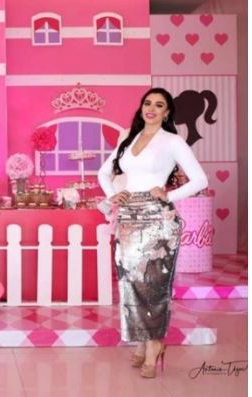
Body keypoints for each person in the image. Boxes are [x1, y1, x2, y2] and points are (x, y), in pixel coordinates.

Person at [97, 87, 208, 378]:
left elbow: (200, 179)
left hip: (158, 219)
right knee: (131, 283)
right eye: (148, 103)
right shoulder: (130, 139)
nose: (151, 108)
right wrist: (112, 195)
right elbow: (104, 172)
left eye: (159, 105)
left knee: (153, 285)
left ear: (167, 112)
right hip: (128, 218)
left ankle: (154, 344)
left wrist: (169, 195)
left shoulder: (172, 141)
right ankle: (142, 342)